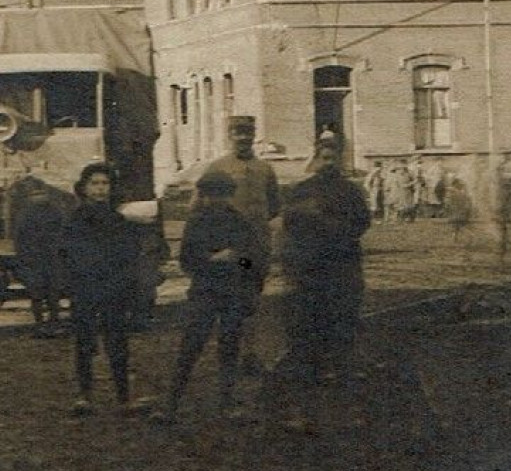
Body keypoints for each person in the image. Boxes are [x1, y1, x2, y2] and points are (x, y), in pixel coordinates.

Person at [278, 133, 372, 428]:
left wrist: (326, 223)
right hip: (309, 277)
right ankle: (304, 411)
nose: (328, 162)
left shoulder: (352, 192)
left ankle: (348, 410)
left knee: (343, 342)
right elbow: (290, 226)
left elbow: (360, 225)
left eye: (333, 157)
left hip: (342, 276)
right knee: (306, 343)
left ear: (340, 159)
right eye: (324, 156)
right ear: (316, 157)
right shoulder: (300, 191)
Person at [156, 169, 261, 423]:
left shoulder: (239, 222)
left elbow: (252, 262)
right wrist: (210, 261)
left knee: (229, 346)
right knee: (191, 346)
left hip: (233, 293)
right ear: (204, 195)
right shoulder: (196, 222)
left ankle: (226, 402)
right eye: (213, 194)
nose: (218, 200)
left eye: (223, 195)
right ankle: (171, 403)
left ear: (230, 195)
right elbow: (186, 261)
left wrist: (236, 259)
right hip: (204, 291)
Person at [59, 162, 142, 415]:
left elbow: (129, 255)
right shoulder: (75, 220)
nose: (100, 189)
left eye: (105, 184)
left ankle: (123, 397)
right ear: (84, 189)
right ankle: (84, 396)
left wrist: (124, 283)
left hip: (113, 289)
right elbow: (66, 253)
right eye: (94, 184)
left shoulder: (119, 221)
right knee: (84, 342)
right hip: (85, 287)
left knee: (117, 343)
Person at [202, 115, 280, 373]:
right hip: (229, 250)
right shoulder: (217, 168)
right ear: (229, 135)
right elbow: (199, 207)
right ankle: (230, 354)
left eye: (248, 132)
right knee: (230, 298)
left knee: (252, 298)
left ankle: (250, 353)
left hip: (256, 248)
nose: (243, 138)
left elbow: (273, 206)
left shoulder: (264, 169)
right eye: (238, 132)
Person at [9, 176, 70, 336]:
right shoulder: (55, 210)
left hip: (36, 257)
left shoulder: (25, 213)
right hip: (49, 256)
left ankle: (41, 323)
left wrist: (21, 255)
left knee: (38, 293)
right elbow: (64, 231)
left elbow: (18, 236)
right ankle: (52, 322)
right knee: (51, 293)